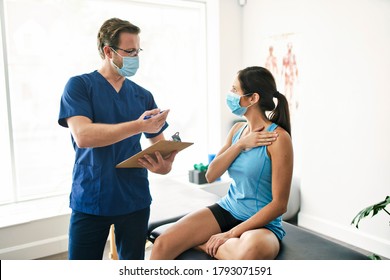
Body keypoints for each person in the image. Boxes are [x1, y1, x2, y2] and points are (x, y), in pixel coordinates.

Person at [58, 18, 177, 260]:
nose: (135, 57)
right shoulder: (79, 86)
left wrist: (165, 165)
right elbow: (83, 136)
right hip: (91, 197)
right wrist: (137, 125)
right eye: (130, 51)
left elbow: (160, 149)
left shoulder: (142, 96)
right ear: (108, 51)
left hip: (134, 198)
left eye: (137, 51)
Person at [150, 66, 293, 260]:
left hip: (262, 223)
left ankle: (203, 244)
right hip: (228, 209)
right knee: (162, 245)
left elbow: (279, 205)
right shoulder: (237, 131)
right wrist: (240, 144)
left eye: (235, 90)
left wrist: (230, 234)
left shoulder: (278, 138)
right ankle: (215, 244)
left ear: (253, 98)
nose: (230, 95)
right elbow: (211, 174)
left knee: (248, 254)